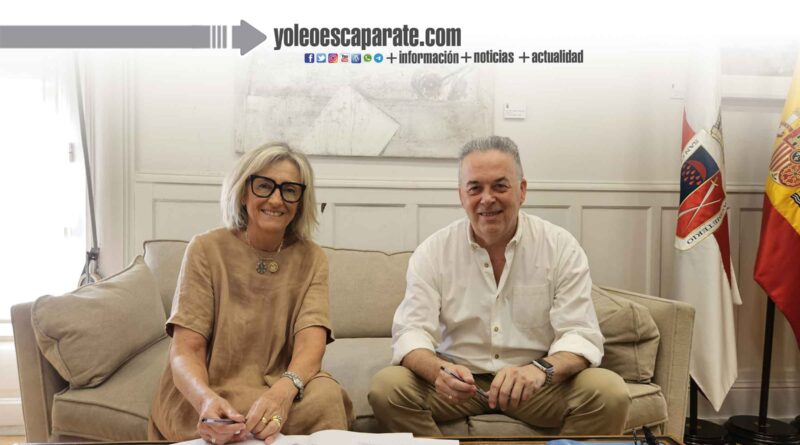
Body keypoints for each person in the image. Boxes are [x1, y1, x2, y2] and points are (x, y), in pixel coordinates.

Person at [368, 136, 631, 435]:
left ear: (522, 190)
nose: (487, 199)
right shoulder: (433, 251)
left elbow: (580, 333)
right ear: (461, 195)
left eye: (500, 186)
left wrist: (539, 371)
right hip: (458, 385)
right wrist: (438, 371)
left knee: (609, 393)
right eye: (475, 188)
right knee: (387, 388)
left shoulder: (560, 247)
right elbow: (411, 331)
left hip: (535, 383)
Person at [148, 143, 352, 445]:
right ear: (244, 192)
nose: (276, 199)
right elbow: (185, 351)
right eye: (264, 186)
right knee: (227, 416)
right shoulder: (205, 249)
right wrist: (205, 400)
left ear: (300, 201)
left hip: (279, 383)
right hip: (212, 388)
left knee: (327, 397)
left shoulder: (312, 258)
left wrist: (283, 392)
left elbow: (311, 345)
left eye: (289, 190)